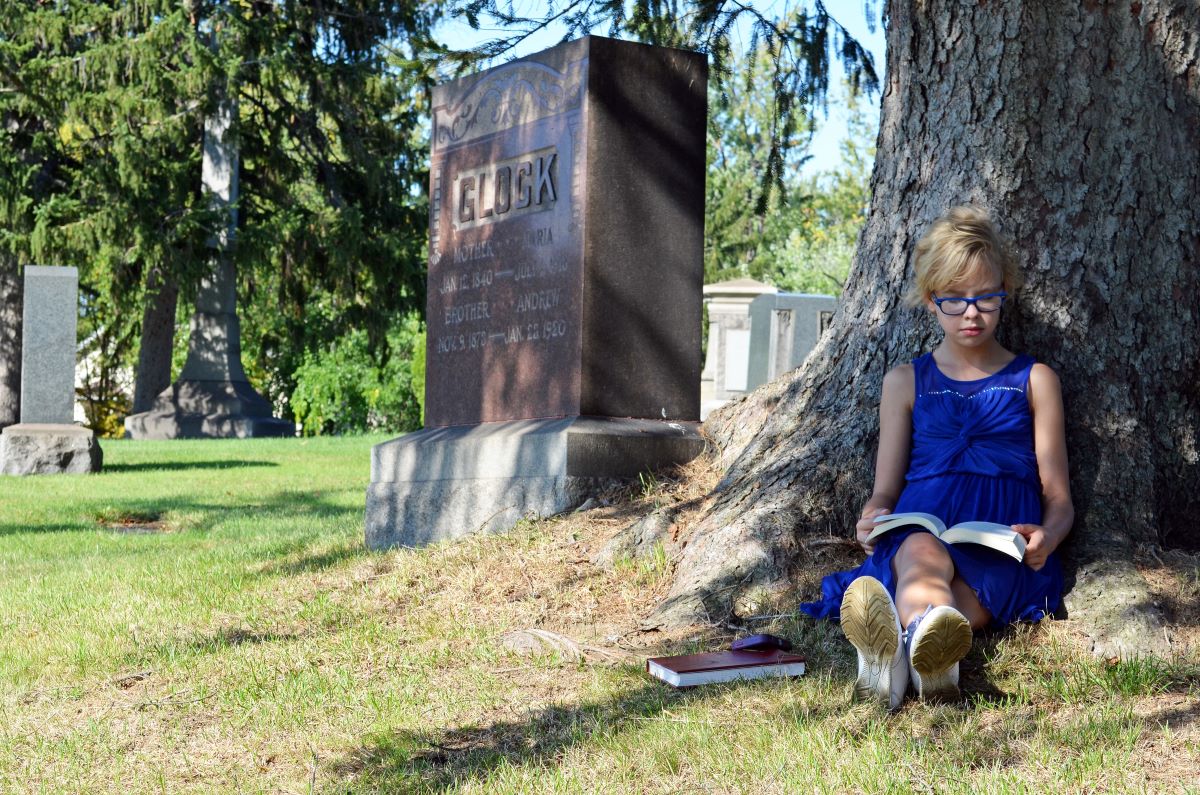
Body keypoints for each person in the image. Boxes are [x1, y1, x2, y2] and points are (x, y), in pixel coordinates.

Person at [800, 205, 1074, 709]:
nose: (971, 312)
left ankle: (895, 662)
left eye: (985, 298)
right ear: (931, 302)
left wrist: (1049, 535)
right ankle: (928, 664)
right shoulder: (905, 381)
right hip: (923, 529)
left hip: (997, 541)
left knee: (964, 601)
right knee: (924, 557)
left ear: (1004, 296)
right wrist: (871, 517)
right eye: (955, 299)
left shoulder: (1035, 380)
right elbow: (884, 491)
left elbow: (1058, 496)